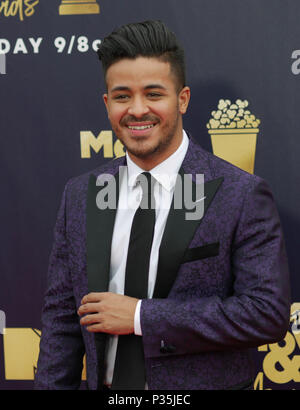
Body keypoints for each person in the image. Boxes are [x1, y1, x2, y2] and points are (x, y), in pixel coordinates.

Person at [34, 20, 290, 390]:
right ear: (107, 104)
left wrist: (141, 316)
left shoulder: (240, 194)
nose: (137, 110)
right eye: (122, 96)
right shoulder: (80, 195)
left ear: (182, 99)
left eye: (154, 94)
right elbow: (62, 321)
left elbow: (266, 314)